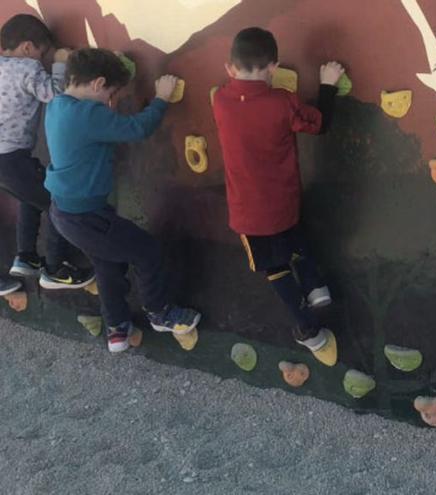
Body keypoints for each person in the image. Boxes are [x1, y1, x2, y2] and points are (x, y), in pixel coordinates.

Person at [43, 48, 200, 353]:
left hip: (62, 212)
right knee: (147, 250)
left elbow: (69, 73)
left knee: (107, 263)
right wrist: (162, 98)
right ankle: (160, 312)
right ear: (98, 84)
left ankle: (117, 329)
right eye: (111, 94)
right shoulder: (89, 113)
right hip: (88, 216)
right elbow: (139, 128)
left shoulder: (57, 104)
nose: (111, 103)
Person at [212, 27, 343, 366]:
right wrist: (328, 84)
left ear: (229, 68)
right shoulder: (281, 102)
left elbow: (240, 95)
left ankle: (307, 329)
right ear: (273, 67)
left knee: (275, 267)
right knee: (295, 238)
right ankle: (316, 287)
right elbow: (319, 124)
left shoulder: (221, 101)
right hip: (283, 202)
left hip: (246, 213)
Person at [0, 14, 94, 288]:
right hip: (11, 158)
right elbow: (55, 94)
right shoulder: (27, 69)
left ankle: (26, 256)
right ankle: (55, 268)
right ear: (28, 48)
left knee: (31, 197)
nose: (41, 59)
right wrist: (60, 63)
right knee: (58, 201)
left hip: (7, 162)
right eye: (42, 54)